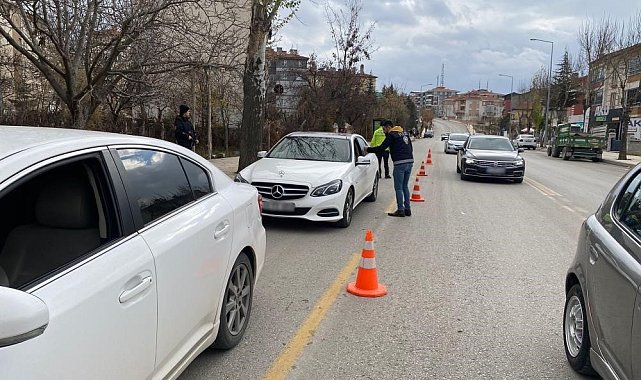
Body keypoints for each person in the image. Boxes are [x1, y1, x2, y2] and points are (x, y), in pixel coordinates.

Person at [366, 120, 414, 217]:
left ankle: (400, 210)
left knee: (398, 188)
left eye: (384, 129)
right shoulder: (404, 133)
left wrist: (368, 149)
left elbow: (382, 148)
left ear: (388, 127)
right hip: (409, 161)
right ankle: (407, 209)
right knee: (405, 186)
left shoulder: (392, 135)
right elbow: (410, 147)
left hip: (400, 163)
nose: (383, 131)